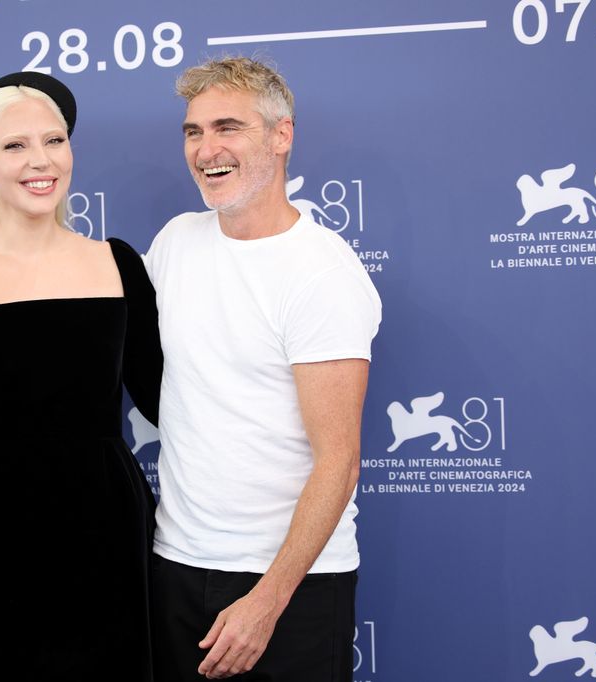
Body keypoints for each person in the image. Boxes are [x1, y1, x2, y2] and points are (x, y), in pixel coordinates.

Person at [0, 72, 161, 681]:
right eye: (15, 146)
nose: (41, 161)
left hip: (107, 534)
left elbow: (168, 401)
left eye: (55, 140)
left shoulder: (118, 264)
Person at [146, 57, 382, 681]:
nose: (206, 149)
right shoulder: (175, 242)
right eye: (193, 132)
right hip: (174, 563)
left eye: (229, 128)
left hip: (289, 586)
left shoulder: (322, 275)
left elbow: (340, 460)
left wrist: (267, 601)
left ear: (282, 136)